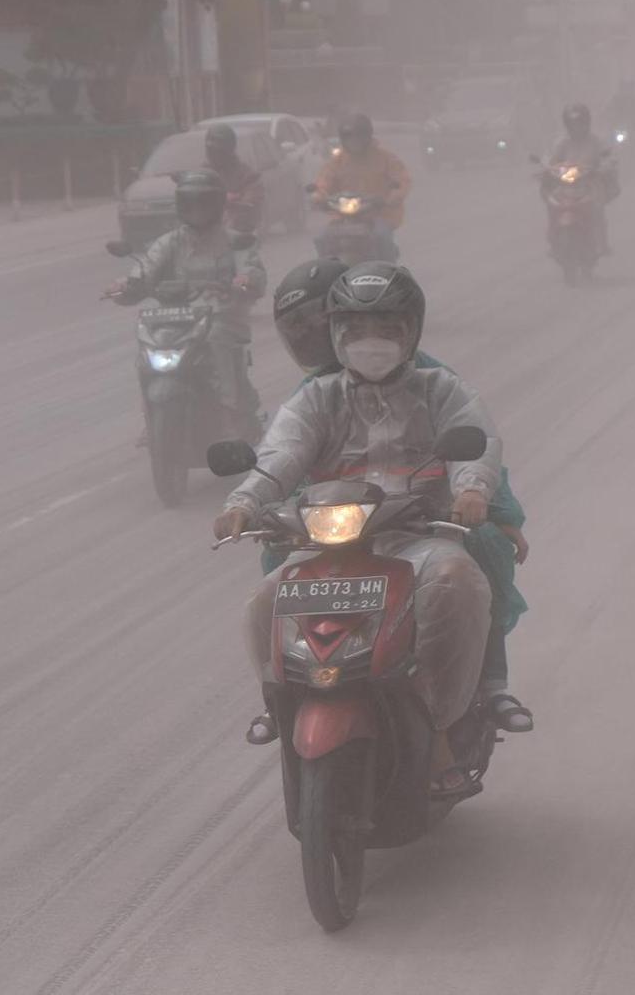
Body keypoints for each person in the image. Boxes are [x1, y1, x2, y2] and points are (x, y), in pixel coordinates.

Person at [216, 263, 522, 792]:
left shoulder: (441, 388)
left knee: (457, 582)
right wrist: (244, 502)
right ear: (335, 334)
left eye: (386, 328)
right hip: (330, 539)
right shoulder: (316, 397)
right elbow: (280, 455)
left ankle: (444, 726)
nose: (370, 342)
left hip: (421, 537)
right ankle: (278, 701)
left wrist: (472, 492)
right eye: (356, 330)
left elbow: (477, 443)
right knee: (263, 601)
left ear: (412, 332)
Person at [106, 169, 266, 437]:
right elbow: (145, 270)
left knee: (217, 339)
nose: (197, 210)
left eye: (203, 203)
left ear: (215, 205)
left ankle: (230, 413)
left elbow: (252, 272)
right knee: (147, 347)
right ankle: (151, 414)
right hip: (175, 320)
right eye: (190, 203)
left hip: (221, 317)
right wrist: (125, 285)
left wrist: (244, 280)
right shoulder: (169, 242)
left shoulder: (234, 241)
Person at [312, 113, 411, 262]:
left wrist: (391, 198)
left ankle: (389, 273)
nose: (354, 142)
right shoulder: (337, 161)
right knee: (322, 239)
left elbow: (402, 181)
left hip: (379, 215)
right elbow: (323, 182)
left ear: (367, 136)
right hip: (343, 217)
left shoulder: (385, 158)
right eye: (349, 138)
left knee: (381, 237)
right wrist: (318, 197)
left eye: (358, 137)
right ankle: (327, 274)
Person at [544, 103, 618, 254]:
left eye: (579, 123)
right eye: (573, 124)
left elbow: (607, 157)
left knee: (597, 210)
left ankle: (601, 243)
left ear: (587, 123)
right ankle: (553, 240)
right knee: (552, 205)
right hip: (566, 184)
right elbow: (551, 160)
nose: (576, 128)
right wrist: (546, 169)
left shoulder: (596, 141)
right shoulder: (562, 143)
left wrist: (604, 167)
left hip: (589, 183)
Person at [203, 123, 266, 235]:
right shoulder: (202, 174)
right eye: (210, 150)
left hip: (238, 233)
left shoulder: (248, 174)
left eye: (218, 151)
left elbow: (251, 201)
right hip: (205, 231)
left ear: (229, 150)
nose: (213, 155)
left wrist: (234, 203)